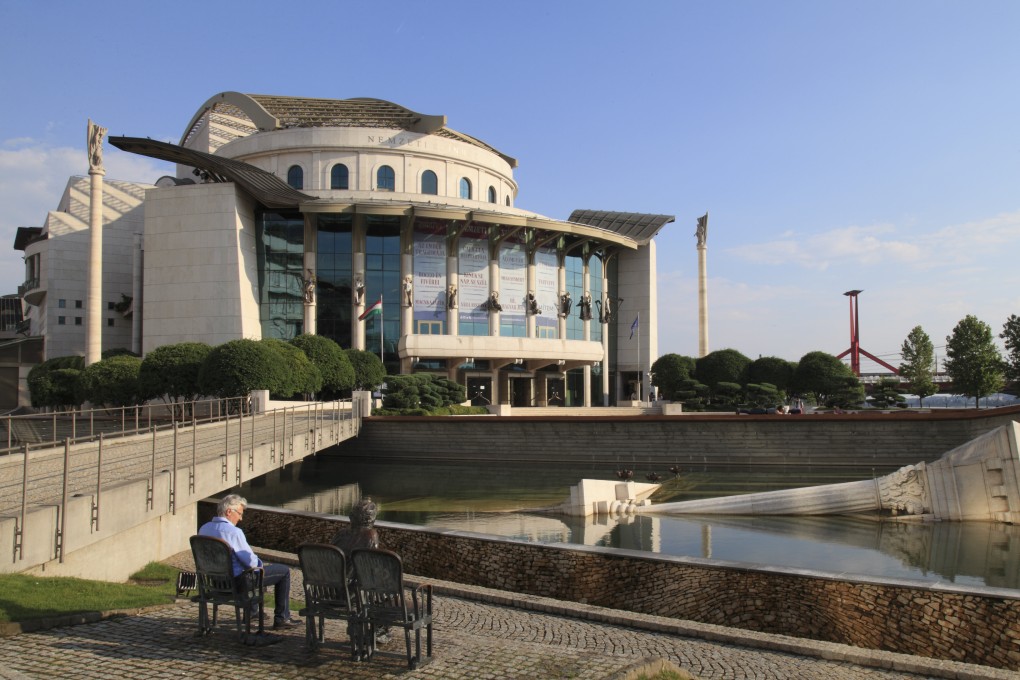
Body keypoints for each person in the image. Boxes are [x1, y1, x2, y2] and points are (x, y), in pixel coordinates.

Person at [198, 494, 300, 629]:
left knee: (248, 572)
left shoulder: (204, 529)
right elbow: (251, 563)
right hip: (237, 584)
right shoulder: (234, 532)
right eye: (239, 514)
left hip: (215, 582)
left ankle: (253, 612)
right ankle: (282, 618)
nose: (241, 518)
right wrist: (258, 561)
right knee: (282, 571)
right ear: (229, 512)